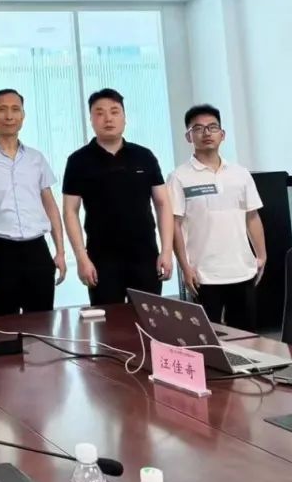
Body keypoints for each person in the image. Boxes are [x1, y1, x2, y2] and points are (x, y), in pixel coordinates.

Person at [62, 89, 174, 306]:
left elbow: (162, 204)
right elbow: (70, 211)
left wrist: (167, 252)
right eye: (100, 113)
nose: (108, 118)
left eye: (114, 112)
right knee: (108, 322)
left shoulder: (144, 156)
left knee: (148, 319)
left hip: (145, 256)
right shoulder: (78, 161)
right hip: (101, 260)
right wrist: (81, 258)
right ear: (91, 119)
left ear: (124, 117)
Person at [0, 89, 67, 316]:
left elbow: (50, 206)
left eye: (15, 110)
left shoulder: (36, 158)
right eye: (2, 110)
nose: (9, 116)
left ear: (23, 115)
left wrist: (60, 252)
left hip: (37, 251)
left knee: (42, 324)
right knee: (2, 326)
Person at [169, 105, 266, 331]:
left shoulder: (240, 174)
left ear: (222, 134)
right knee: (206, 338)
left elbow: (252, 216)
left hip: (241, 270)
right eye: (198, 128)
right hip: (204, 274)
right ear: (188, 136)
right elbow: (174, 224)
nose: (206, 133)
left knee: (247, 338)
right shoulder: (178, 177)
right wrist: (185, 267)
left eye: (212, 127)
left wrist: (261, 255)